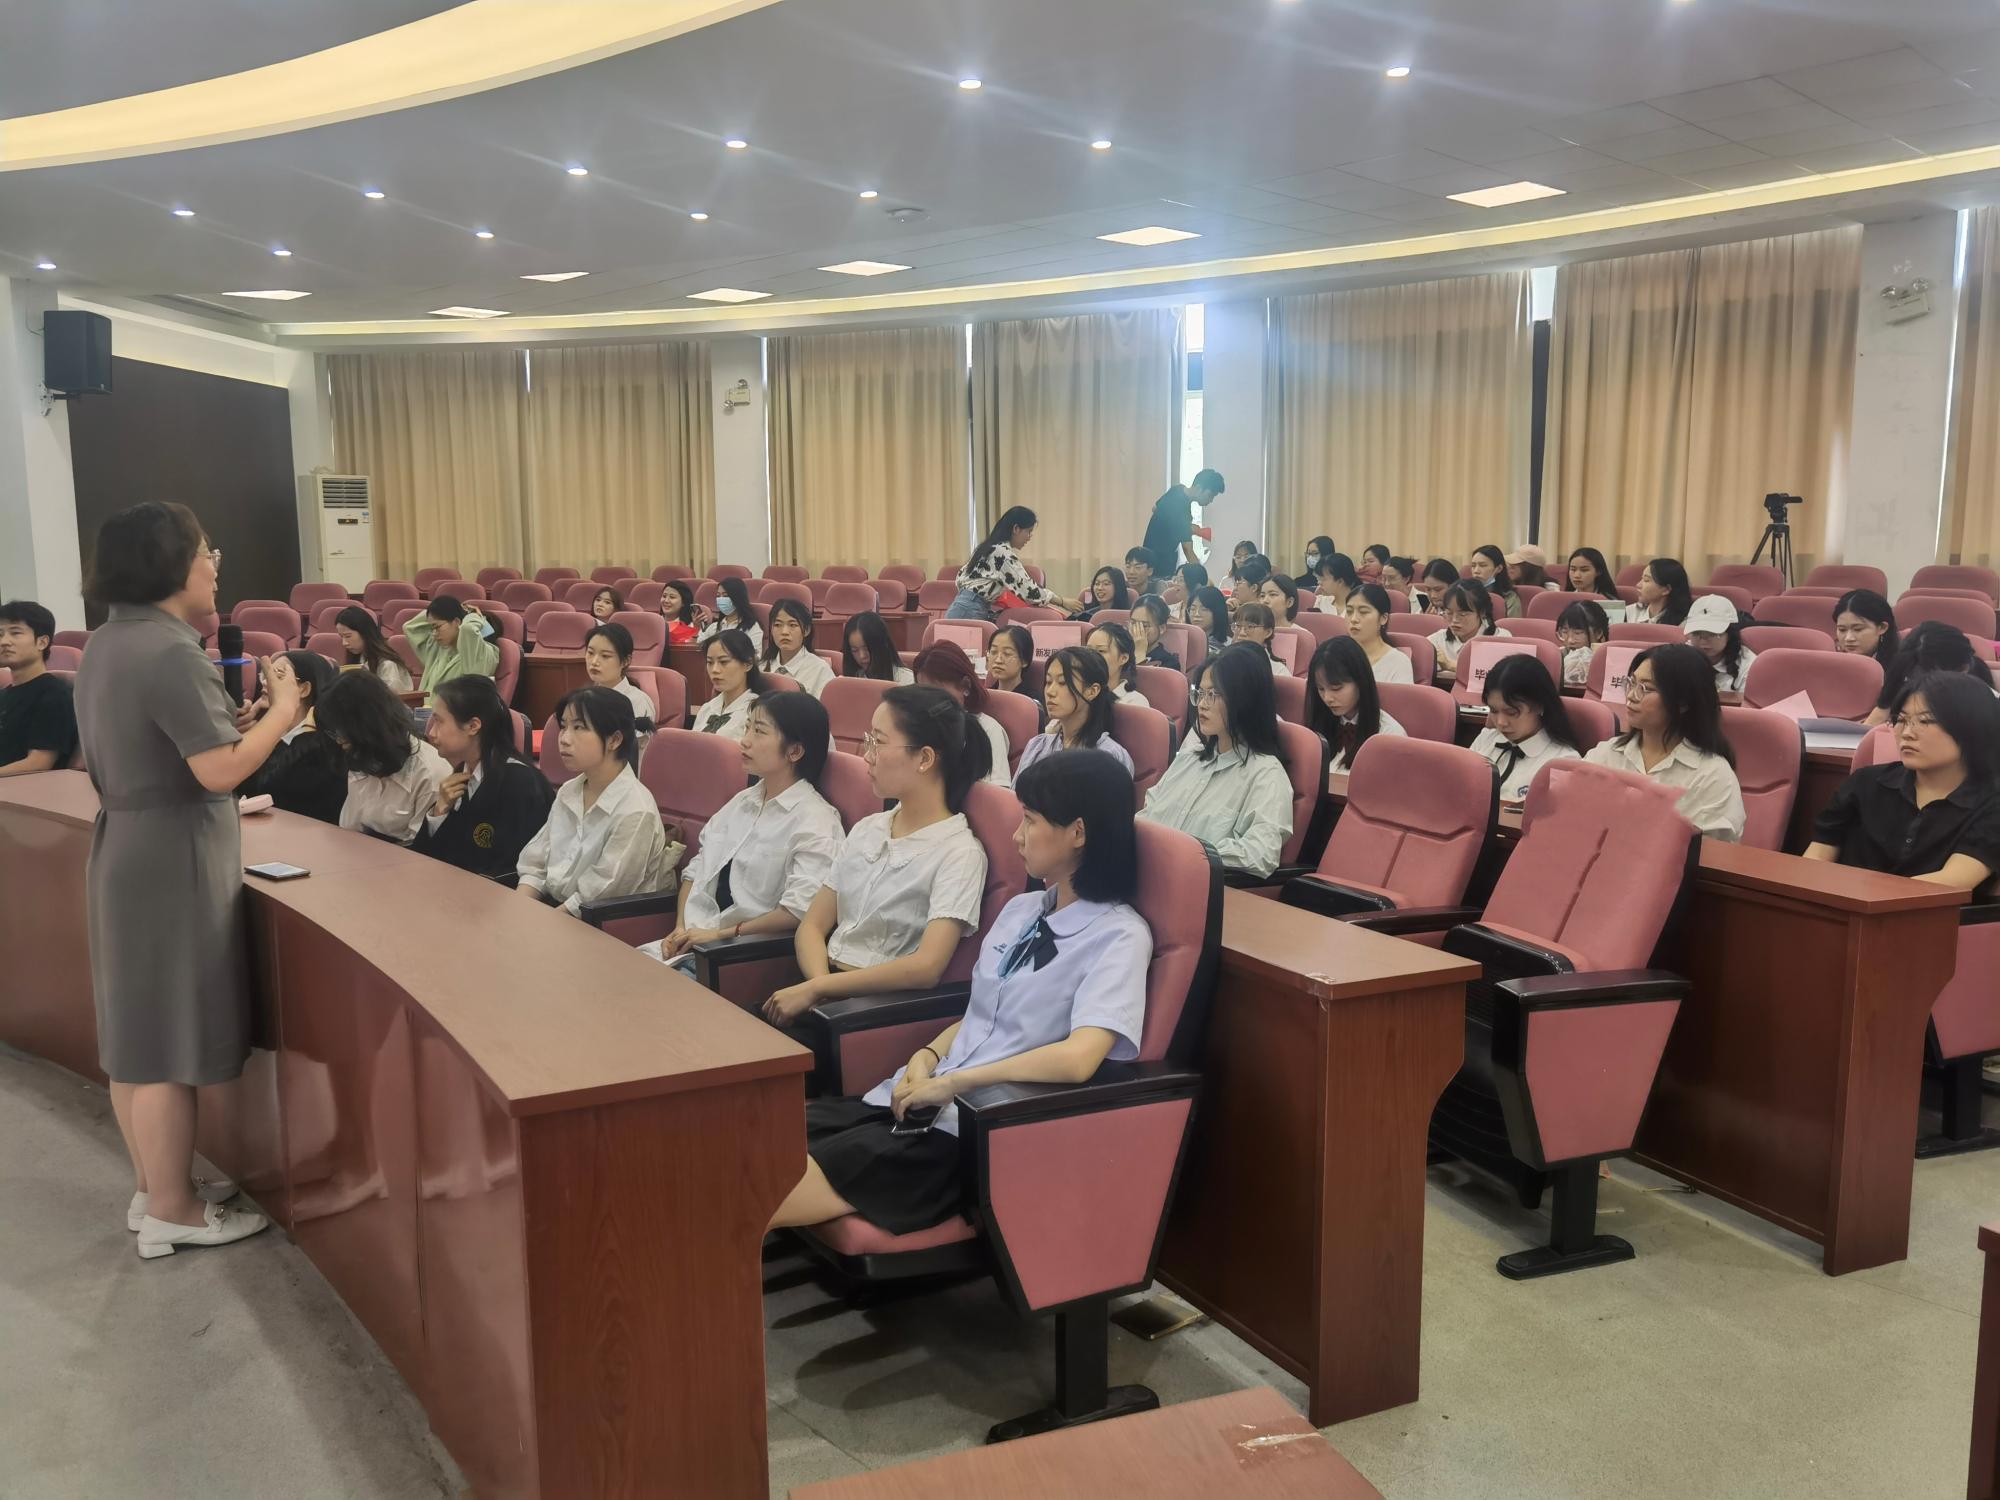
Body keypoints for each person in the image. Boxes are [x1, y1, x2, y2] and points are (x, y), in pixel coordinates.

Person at [769, 749, 1151, 1235]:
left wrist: (955, 1084)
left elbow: (1079, 1059)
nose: (1016, 836)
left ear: (1078, 832)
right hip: (923, 1100)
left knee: (753, 1194)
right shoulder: (1023, 910)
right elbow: (981, 1017)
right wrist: (927, 1057)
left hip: (972, 1132)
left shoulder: (1119, 935)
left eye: (1031, 820)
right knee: (761, 1139)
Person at [75, 502, 299, 1256]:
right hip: (173, 854)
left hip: (128, 845)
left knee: (137, 1034)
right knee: (171, 1037)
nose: (214, 564)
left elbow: (167, 746)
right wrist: (284, 713)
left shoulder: (109, 640)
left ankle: (154, 1188)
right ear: (172, 563)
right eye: (208, 550)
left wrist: (235, 724)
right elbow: (220, 771)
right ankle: (175, 1209)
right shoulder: (171, 652)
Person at [761, 686, 990, 1026]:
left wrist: (821, 990)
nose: (866, 755)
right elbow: (812, 925)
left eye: (878, 743)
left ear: (925, 758)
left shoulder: (959, 852)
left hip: (871, 1015)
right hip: (820, 991)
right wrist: (820, 987)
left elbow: (926, 968)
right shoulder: (869, 828)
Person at [650, 692, 845, 968]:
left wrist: (719, 935)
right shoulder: (742, 801)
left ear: (794, 751)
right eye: (747, 728)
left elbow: (797, 911)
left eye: (759, 731)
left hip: (734, 959)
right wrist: (681, 927)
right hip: (690, 943)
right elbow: (697, 870)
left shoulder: (816, 821)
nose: (745, 740)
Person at [1806, 672, 2000, 897]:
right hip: (1840, 907)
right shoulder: (1865, 782)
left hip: (1928, 915)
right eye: (1901, 720)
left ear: (1972, 728)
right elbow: (1817, 857)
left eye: (1925, 721)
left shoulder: (1992, 803)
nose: (1907, 733)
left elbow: (1952, 880)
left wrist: (1864, 898)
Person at [1140, 644, 1293, 877]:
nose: (1202, 704)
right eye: (1200, 693)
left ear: (1245, 699)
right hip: (1146, 873)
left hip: (1192, 884)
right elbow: (1148, 814)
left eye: (1213, 695)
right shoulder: (1189, 758)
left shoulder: (1266, 774)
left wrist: (1193, 854)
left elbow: (1261, 854)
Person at [518, 686, 671, 916]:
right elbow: (536, 864)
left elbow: (598, 894)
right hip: (553, 912)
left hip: (598, 924)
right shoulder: (569, 791)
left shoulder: (636, 810)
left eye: (579, 728)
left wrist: (538, 924)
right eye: (563, 727)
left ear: (614, 740)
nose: (564, 739)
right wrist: (519, 911)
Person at [1585, 643, 1745, 841]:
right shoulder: (1607, 753)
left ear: (1683, 703)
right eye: (1631, 683)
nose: (1631, 696)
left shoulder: (1713, 775)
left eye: (1646, 689)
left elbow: (1710, 852)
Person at [413, 674, 554, 881]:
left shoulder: (520, 783)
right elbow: (424, 857)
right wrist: (439, 812)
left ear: (473, 726)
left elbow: (515, 870)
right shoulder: (460, 776)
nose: (431, 733)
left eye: (439, 721)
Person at [315, 670, 452, 845]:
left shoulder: (429, 772)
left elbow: (421, 848)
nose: (339, 739)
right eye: (333, 732)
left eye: (343, 730)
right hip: (357, 851)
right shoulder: (360, 754)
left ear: (368, 724)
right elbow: (350, 828)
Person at [236, 650, 345, 823]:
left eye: (278, 675)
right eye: (265, 675)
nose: (265, 682)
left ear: (304, 689)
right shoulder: (265, 734)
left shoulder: (318, 751)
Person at [1470, 655, 1583, 803]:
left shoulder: (1562, 761)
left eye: (1512, 713)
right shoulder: (1485, 739)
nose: (1501, 722)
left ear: (1540, 706)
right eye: (1494, 711)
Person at [1019, 646, 1134, 775]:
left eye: (1063, 682)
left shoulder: (1111, 757)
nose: (1050, 692)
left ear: (1092, 691)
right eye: (1048, 681)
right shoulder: (1037, 745)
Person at [949, 505, 1077, 621]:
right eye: (1028, 531)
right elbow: (1028, 590)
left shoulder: (988, 547)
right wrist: (1062, 601)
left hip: (961, 606)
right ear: (1016, 529)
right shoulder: (1002, 553)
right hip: (970, 610)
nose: (1029, 537)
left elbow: (960, 578)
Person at [914, 640, 1012, 786]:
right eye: (923, 693)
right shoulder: (916, 726)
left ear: (965, 686)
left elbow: (998, 794)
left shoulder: (988, 730)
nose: (929, 702)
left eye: (937, 693)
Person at [1308, 636, 1405, 780]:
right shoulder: (1318, 726)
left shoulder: (1389, 736)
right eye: (1321, 689)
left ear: (1361, 682)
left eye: (1336, 688)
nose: (1327, 698)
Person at [0, 599, 80, 775]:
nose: (4, 641)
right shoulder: (4, 694)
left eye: (15, 633)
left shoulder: (54, 695)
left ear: (42, 642)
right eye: (0, 634)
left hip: (25, 787)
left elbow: (38, 763)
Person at [1867, 621, 1998, 727]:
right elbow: (1875, 720)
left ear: (1963, 669)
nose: (1920, 685)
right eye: (1913, 676)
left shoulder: (1988, 706)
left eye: (1930, 678)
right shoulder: (1901, 678)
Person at [404, 595, 499, 709]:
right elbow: (410, 627)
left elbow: (468, 629)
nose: (434, 633)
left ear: (457, 622)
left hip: (456, 718)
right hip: (423, 715)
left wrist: (473, 615)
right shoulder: (437, 648)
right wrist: (456, 609)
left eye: (437, 627)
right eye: (432, 628)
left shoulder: (484, 653)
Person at [581, 622, 659, 758]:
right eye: (590, 653)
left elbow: (636, 756)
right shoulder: (582, 698)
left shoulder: (638, 702)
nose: (594, 662)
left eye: (605, 656)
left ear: (626, 661)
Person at [1142, 468, 1226, 574]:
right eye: (1210, 495)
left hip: (1148, 557)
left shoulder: (1177, 489)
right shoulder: (1183, 510)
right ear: (1199, 488)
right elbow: (1188, 550)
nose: (1211, 500)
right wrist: (1202, 576)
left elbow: (1155, 508)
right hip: (1159, 565)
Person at [1428, 582, 1511, 681]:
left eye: (1462, 614)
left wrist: (1450, 665)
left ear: (1482, 612)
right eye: (1449, 613)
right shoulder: (1437, 640)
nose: (1454, 620)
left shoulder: (1501, 639)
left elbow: (1500, 677)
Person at [696, 628, 768, 739]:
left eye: (723, 662)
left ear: (748, 664)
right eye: (710, 662)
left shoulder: (756, 712)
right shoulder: (706, 709)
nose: (715, 670)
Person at [1683, 595, 1755, 693]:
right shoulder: (1682, 657)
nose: (1703, 641)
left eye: (1712, 633)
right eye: (1696, 633)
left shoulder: (1748, 665)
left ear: (1730, 634)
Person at [762, 597, 833, 697]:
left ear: (806, 630)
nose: (784, 632)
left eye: (792, 625)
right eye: (778, 625)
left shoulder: (820, 669)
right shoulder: (762, 666)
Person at [1345, 582, 1414, 685]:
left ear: (1383, 618)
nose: (1353, 619)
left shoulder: (1399, 663)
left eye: (1363, 612)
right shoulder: (1337, 655)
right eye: (1349, 611)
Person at [333, 605, 411, 693]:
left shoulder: (387, 664)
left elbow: (390, 698)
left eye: (348, 636)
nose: (344, 643)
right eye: (341, 637)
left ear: (364, 632)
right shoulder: (358, 658)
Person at [842, 611, 915, 684]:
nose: (862, 656)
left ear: (882, 646)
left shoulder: (906, 680)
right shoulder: (855, 676)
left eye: (867, 649)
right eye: (855, 650)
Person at [696, 576, 763, 654]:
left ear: (738, 598)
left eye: (725, 596)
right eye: (718, 596)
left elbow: (755, 656)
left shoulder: (751, 627)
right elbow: (700, 647)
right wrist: (699, 626)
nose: (721, 599)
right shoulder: (715, 627)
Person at [1089, 620, 1146, 706]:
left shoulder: (1134, 702)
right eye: (1088, 650)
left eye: (1101, 651)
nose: (1091, 656)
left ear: (1123, 658)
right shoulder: (1078, 692)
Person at [1834, 589, 1898, 665]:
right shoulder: (1832, 662)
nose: (1848, 638)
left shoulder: (1901, 665)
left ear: (1882, 627)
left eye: (1858, 629)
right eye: (1842, 630)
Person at [1557, 599, 1612, 687]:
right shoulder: (1556, 658)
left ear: (1598, 633)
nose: (1570, 640)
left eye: (1578, 633)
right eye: (1564, 632)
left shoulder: (1611, 663)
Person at [1233, 601, 1290, 676]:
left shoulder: (1278, 672)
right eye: (1238, 626)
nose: (1241, 633)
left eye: (1250, 627)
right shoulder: (1225, 662)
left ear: (1268, 632)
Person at [1633, 558, 1694, 627]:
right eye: (1642, 578)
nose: (1638, 585)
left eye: (1646, 580)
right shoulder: (1629, 612)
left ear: (1666, 589)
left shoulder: (1685, 623)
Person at [1470, 545, 1523, 618]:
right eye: (1473, 566)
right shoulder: (1465, 592)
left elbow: (1511, 624)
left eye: (1483, 565)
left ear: (1499, 568)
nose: (1476, 571)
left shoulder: (1509, 597)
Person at [1131, 595, 1179, 670]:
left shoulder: (1169, 663)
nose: (1136, 630)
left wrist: (1139, 653)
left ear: (1162, 628)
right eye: (1133, 623)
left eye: (1145, 626)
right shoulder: (1120, 652)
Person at [985, 624, 1034, 697]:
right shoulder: (984, 697)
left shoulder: (1031, 701)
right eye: (994, 652)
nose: (998, 660)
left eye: (1007, 654)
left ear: (1024, 661)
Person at [1188, 585, 1232, 660]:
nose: (1196, 614)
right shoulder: (1184, 641)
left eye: (1204, 609)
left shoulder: (1228, 646)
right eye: (1193, 609)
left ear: (1217, 611)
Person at [659, 580, 701, 646]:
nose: (666, 601)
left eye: (672, 597)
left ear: (683, 602)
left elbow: (691, 650)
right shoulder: (653, 623)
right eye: (664, 596)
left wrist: (696, 631)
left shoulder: (691, 626)